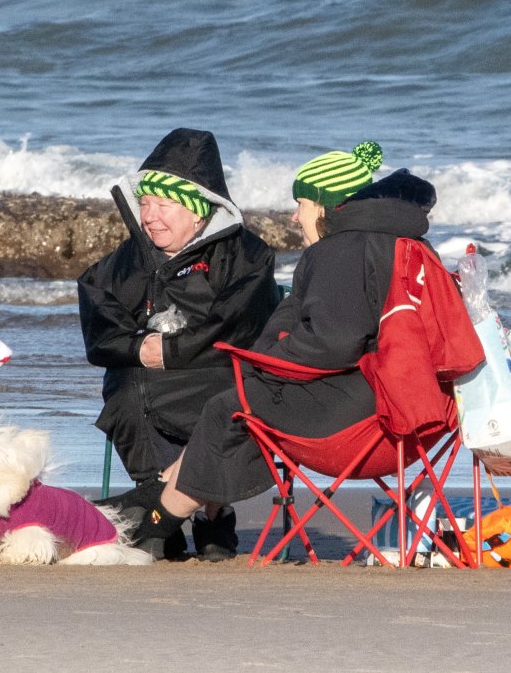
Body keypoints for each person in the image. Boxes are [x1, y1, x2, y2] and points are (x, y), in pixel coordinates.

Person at [150, 152, 437, 522]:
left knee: (230, 407)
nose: (294, 217)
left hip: (361, 428)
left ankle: (161, 520)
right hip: (418, 418)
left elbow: (333, 342)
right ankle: (173, 494)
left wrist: (268, 362)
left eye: (300, 204)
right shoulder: (411, 245)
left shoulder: (342, 250)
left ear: (324, 207)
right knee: (242, 397)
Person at [77, 128, 281, 560]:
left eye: (163, 205)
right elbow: (100, 308)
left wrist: (170, 351)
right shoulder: (132, 256)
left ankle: (207, 514)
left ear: (197, 209)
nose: (149, 216)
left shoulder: (246, 254)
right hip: (148, 378)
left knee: (227, 397)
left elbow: (239, 323)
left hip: (219, 370)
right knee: (127, 385)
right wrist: (137, 349)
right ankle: (160, 511)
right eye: (145, 204)